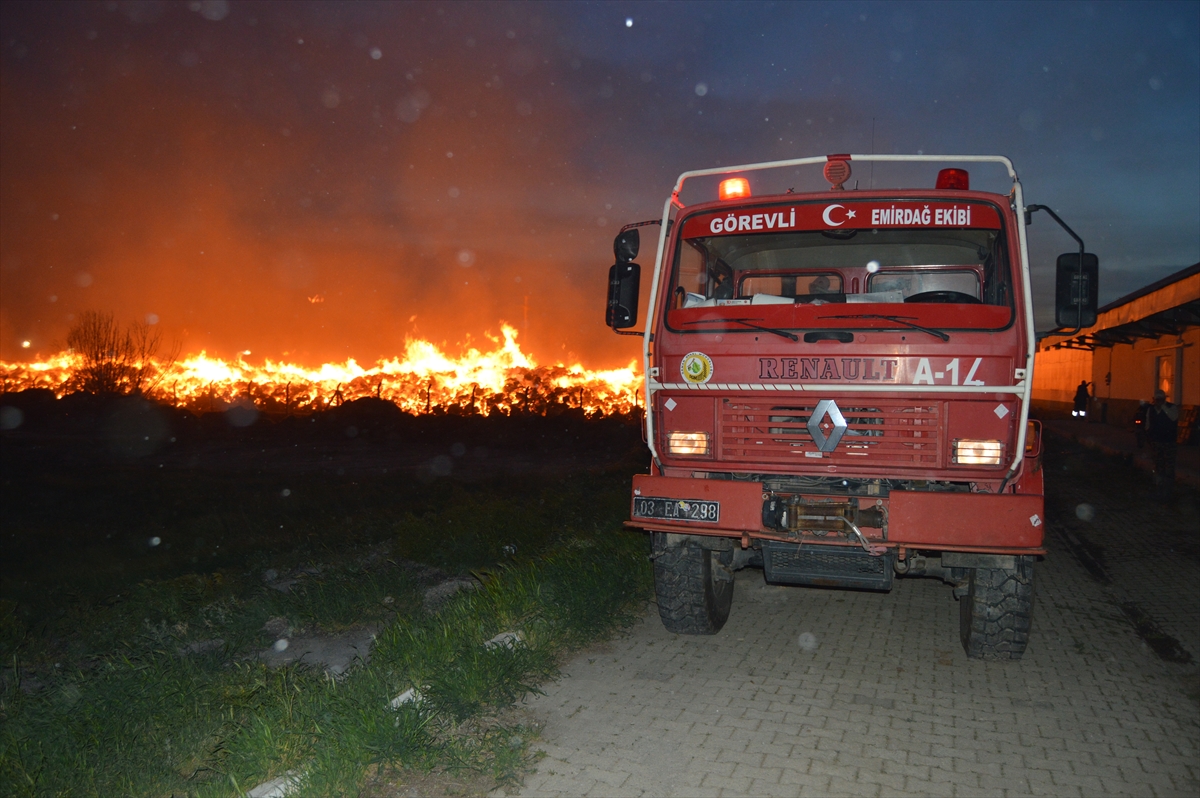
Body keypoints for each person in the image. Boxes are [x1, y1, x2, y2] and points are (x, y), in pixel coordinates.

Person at [1145, 389, 1179, 498]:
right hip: (1156, 442)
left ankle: (1168, 491)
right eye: (1156, 399)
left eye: (1160, 399)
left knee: (1169, 466)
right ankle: (1159, 489)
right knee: (1158, 466)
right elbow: (1148, 423)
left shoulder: (1171, 407)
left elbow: (1173, 417)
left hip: (1169, 442)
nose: (1158, 402)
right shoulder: (1151, 410)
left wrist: (1163, 407)